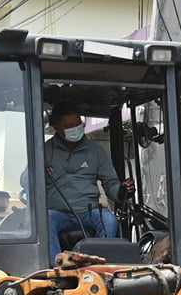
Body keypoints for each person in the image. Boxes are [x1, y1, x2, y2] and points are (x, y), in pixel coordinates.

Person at [43, 104, 122, 258]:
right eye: (69, 126)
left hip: (89, 211)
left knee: (110, 221)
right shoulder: (44, 151)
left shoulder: (95, 151)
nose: (75, 128)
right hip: (56, 212)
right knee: (44, 221)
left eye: (78, 123)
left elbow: (111, 183)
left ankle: (102, 265)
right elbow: (27, 180)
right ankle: (55, 268)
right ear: (56, 127)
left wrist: (122, 191)